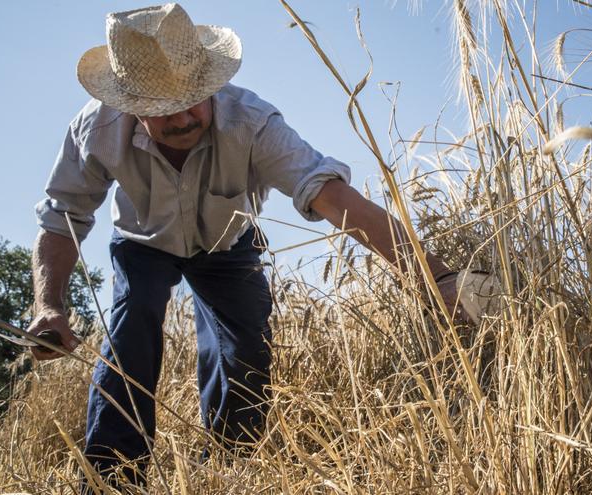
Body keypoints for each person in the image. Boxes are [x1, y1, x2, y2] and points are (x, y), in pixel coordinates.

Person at [26, 3, 463, 490]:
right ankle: (111, 480)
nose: (182, 117)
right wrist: (50, 305)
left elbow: (334, 196)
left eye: (193, 98)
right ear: (130, 104)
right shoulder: (96, 131)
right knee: (132, 330)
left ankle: (230, 471)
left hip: (228, 245)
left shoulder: (253, 123)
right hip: (142, 243)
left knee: (245, 346)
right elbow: (62, 218)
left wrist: (434, 278)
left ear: (211, 84)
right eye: (160, 107)